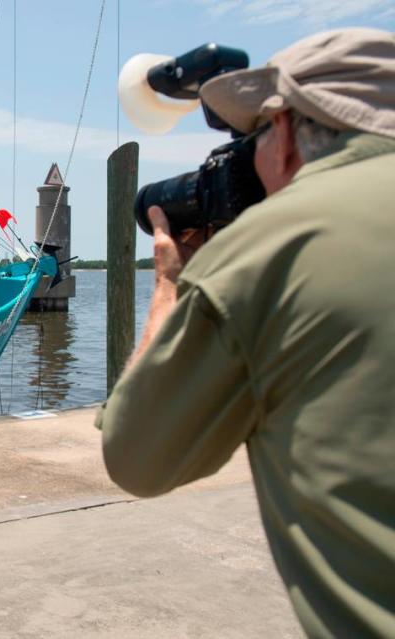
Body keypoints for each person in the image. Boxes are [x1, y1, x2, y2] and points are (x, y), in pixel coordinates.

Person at [96, 28, 395, 637]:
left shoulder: (276, 245)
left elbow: (138, 458)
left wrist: (172, 287)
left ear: (283, 133)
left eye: (254, 135)